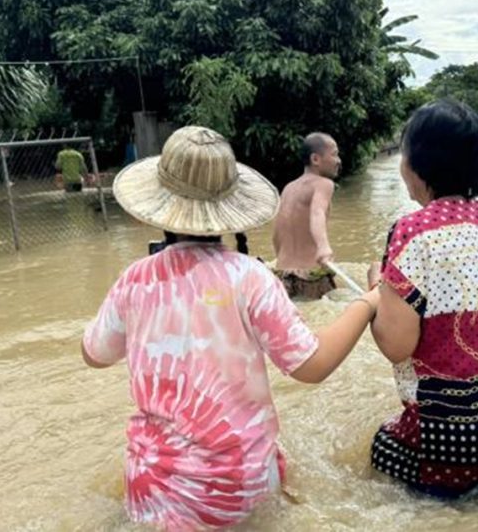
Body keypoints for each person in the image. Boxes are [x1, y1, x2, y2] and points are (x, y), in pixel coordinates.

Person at [81, 126, 379, 530]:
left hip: (149, 486)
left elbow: (94, 355)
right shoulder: (249, 277)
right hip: (234, 491)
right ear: (229, 208)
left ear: (160, 210)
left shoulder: (135, 278)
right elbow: (310, 365)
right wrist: (367, 303)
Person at [366, 100, 478, 498]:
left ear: (416, 163)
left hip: (451, 449)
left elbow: (396, 345)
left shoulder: (410, 231)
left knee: (380, 448)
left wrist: (376, 295)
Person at [271, 132, 341, 299]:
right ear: (316, 159)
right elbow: (317, 213)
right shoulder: (324, 184)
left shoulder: (288, 188)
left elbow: (276, 234)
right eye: (334, 154)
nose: (339, 160)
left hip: (282, 277)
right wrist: (323, 246)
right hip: (311, 278)